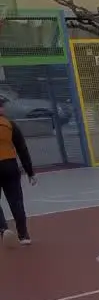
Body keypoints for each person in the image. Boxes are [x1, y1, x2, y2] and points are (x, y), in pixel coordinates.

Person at [0, 96, 37, 247]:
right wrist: (30, 172)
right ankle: (23, 235)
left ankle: (3, 230)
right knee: (16, 200)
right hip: (10, 166)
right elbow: (22, 149)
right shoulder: (10, 125)